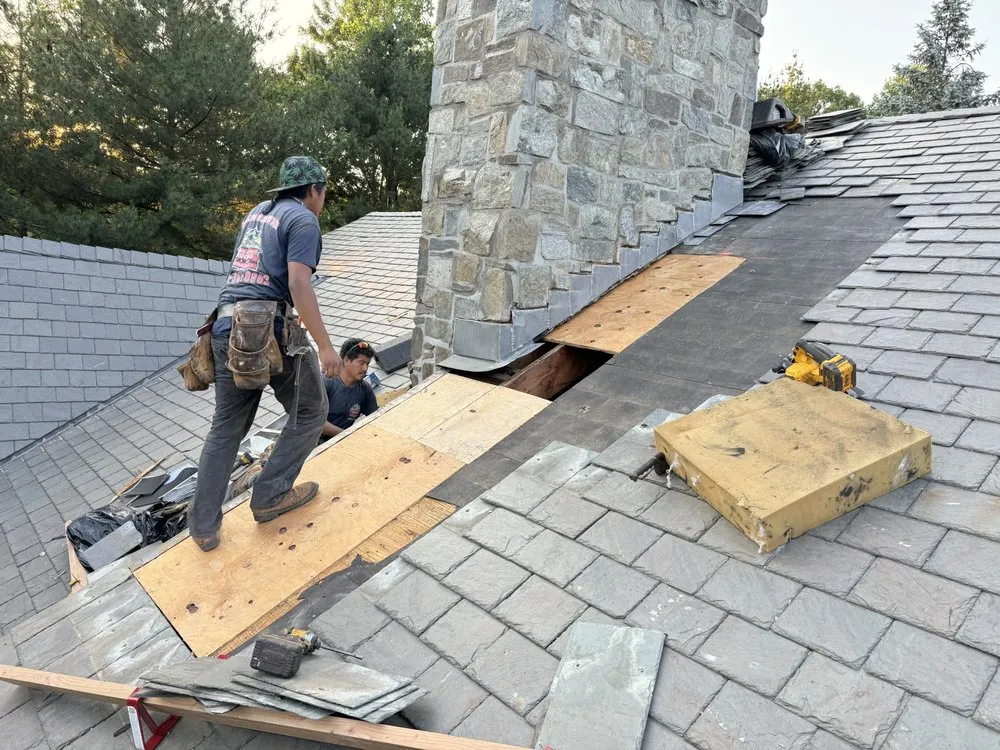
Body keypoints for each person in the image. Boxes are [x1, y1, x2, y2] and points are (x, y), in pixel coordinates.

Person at [189, 156, 342, 552]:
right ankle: (270, 495)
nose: (322, 200)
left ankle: (203, 527)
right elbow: (297, 282)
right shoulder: (304, 219)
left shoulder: (258, 213)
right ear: (313, 190)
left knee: (226, 428)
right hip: (265, 329)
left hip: (224, 327)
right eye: (323, 193)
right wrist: (326, 346)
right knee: (311, 409)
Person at [320, 338, 378, 440]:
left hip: (342, 442)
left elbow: (376, 418)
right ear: (346, 360)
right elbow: (316, 423)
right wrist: (348, 435)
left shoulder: (365, 389)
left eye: (367, 364)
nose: (365, 369)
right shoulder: (326, 383)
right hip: (314, 444)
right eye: (361, 363)